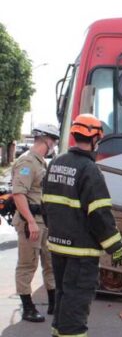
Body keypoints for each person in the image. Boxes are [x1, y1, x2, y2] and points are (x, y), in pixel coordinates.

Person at [42, 114, 122, 337]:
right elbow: (99, 214)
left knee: (64, 291)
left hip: (58, 244)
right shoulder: (89, 169)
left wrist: (56, 231)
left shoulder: (56, 162)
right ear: (96, 138)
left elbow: (46, 204)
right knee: (77, 292)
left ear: (74, 135)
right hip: (81, 248)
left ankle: (60, 334)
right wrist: (115, 246)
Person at [11, 124, 60, 322]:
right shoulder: (27, 162)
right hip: (30, 222)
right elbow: (19, 194)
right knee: (27, 265)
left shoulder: (41, 163)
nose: (55, 145)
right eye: (54, 141)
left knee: (50, 263)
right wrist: (30, 222)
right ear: (47, 140)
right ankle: (28, 307)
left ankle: (54, 303)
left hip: (44, 221)